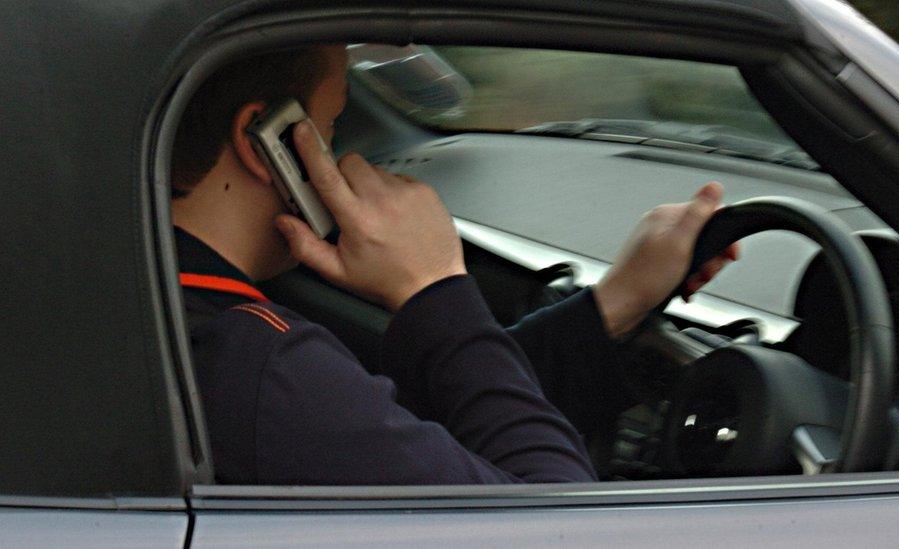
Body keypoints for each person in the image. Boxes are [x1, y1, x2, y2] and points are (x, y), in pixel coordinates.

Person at [171, 44, 737, 484]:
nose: (349, 158)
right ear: (260, 139)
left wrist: (613, 304)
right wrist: (432, 284)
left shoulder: (177, 309)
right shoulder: (260, 366)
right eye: (336, 124)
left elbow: (407, 432)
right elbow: (557, 526)